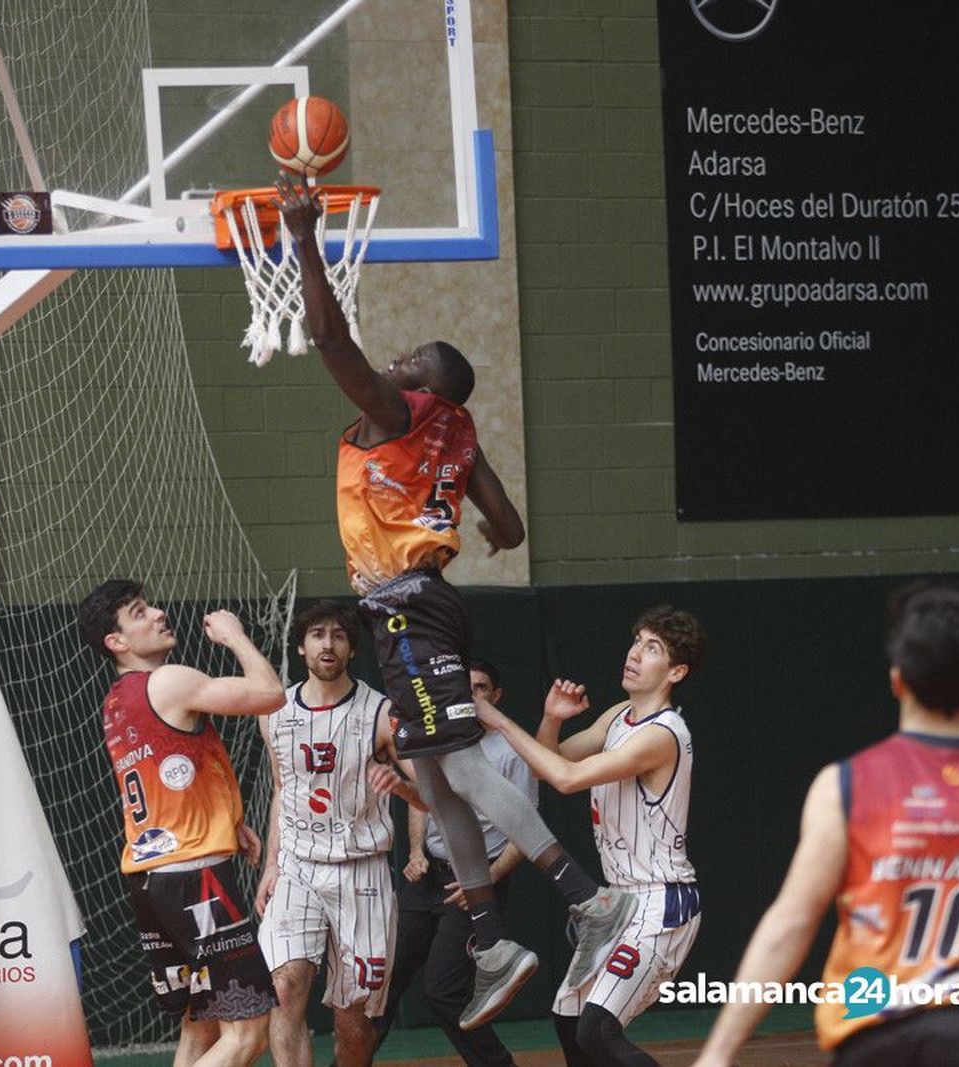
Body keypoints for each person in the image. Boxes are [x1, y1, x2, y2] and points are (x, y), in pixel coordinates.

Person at [275, 172, 630, 1031]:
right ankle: (490, 935)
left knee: (460, 763)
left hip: (405, 605)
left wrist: (301, 237)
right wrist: (455, 502)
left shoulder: (401, 410)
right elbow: (506, 527)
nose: (392, 365)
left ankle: (585, 897)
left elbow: (327, 336)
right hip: (422, 600)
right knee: (434, 777)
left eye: (407, 364)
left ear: (426, 384)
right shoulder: (461, 435)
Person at [691, 582, 959, 1067]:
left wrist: (716, 1055)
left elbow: (792, 922)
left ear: (898, 679)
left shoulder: (845, 786)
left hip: (876, 1043)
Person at [476, 608, 707, 1067]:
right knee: (569, 1021)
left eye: (653, 648)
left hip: (661, 904)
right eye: (637, 641)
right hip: (617, 903)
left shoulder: (663, 735)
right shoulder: (622, 715)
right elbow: (550, 759)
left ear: (676, 671)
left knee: (597, 1030)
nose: (635, 654)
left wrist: (498, 721)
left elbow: (565, 778)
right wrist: (552, 718)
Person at [78, 579, 286, 1067]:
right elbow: (270, 693)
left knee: (201, 1024)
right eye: (139, 612)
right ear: (118, 642)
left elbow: (171, 773)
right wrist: (234, 635)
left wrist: (228, 818)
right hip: (197, 877)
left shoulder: (116, 703)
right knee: (248, 1034)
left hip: (154, 878)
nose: (158, 613)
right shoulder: (166, 680)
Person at [254, 600, 403, 1067]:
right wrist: (271, 865)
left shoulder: (381, 713)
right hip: (298, 866)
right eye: (317, 634)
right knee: (284, 985)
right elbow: (283, 790)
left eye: (338, 635)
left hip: (362, 871)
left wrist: (403, 786)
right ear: (301, 646)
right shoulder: (274, 712)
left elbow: (425, 792)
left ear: (351, 649)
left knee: (352, 1016)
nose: (327, 643)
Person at [372, 659, 533, 1067]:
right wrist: (414, 852)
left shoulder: (510, 751)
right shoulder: (436, 737)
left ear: (495, 697)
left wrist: (487, 880)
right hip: (427, 878)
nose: (471, 694)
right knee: (384, 984)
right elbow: (425, 802)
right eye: (465, 687)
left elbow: (526, 830)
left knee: (442, 990)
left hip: (476, 882)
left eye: (480, 688)